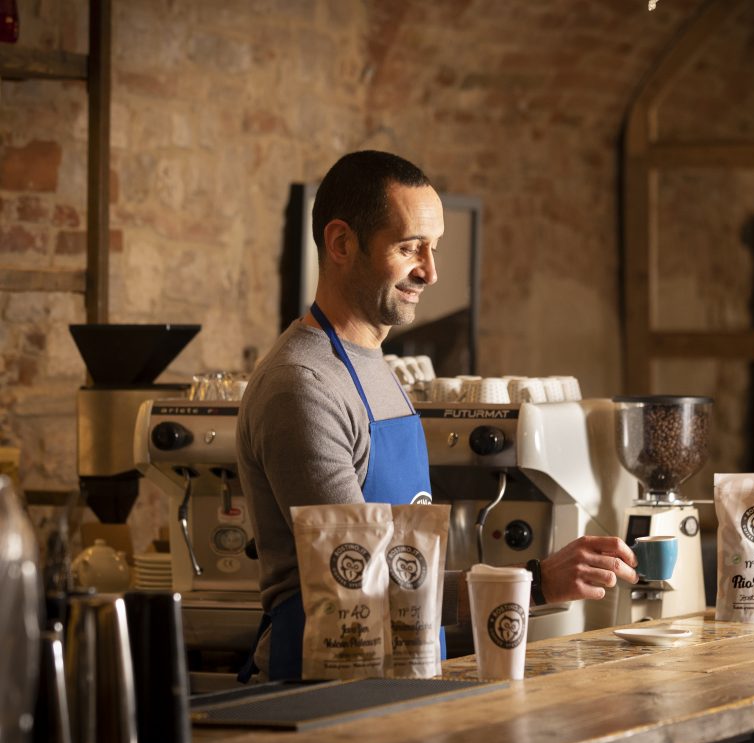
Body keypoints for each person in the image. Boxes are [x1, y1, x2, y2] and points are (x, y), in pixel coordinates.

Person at [236, 150, 638, 681]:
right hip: (324, 685)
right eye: (409, 248)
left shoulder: (377, 369)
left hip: (396, 668)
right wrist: (533, 580)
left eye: (434, 248)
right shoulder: (303, 386)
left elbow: (406, 561)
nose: (430, 271)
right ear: (340, 244)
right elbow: (360, 578)